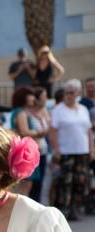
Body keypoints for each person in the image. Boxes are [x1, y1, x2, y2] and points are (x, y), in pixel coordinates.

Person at [49, 79, 95, 221]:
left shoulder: (83, 109)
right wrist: (56, 149)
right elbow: (52, 130)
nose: (68, 95)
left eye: (71, 92)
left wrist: (91, 149)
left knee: (80, 181)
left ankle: (75, 207)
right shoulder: (58, 110)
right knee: (65, 181)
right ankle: (64, 209)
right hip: (66, 151)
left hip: (82, 151)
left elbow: (88, 131)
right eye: (66, 93)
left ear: (78, 93)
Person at [11, 86, 47, 198]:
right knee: (26, 188)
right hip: (26, 153)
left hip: (23, 152)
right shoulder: (21, 112)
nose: (33, 98)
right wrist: (40, 132)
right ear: (24, 97)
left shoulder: (18, 111)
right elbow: (24, 131)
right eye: (30, 95)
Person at [30, 86, 54, 203]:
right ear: (37, 99)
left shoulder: (45, 111)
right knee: (33, 181)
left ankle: (38, 203)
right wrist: (42, 131)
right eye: (44, 97)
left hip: (43, 149)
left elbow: (49, 127)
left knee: (41, 180)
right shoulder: (29, 112)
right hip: (33, 150)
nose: (46, 99)